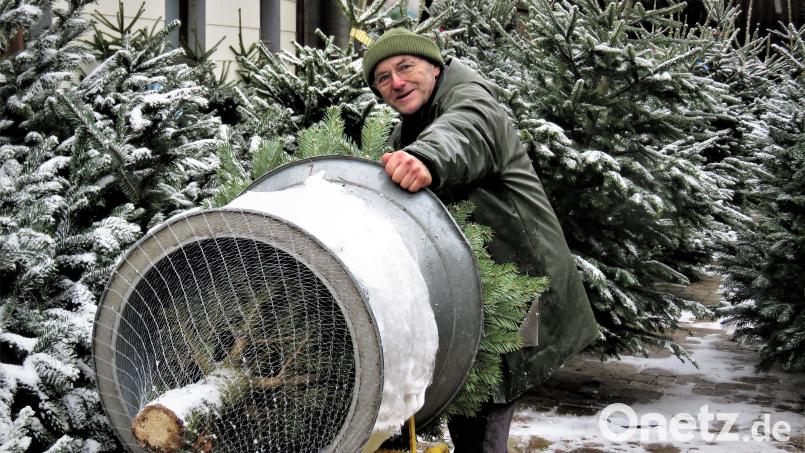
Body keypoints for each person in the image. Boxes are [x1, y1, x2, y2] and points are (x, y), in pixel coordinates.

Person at [362, 28, 599, 453]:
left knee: (486, 407)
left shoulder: (471, 98)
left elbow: (464, 133)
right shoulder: (409, 127)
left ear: (433, 66)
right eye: (382, 78)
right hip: (475, 286)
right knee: (470, 402)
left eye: (405, 67)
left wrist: (425, 160)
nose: (395, 82)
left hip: (522, 284)